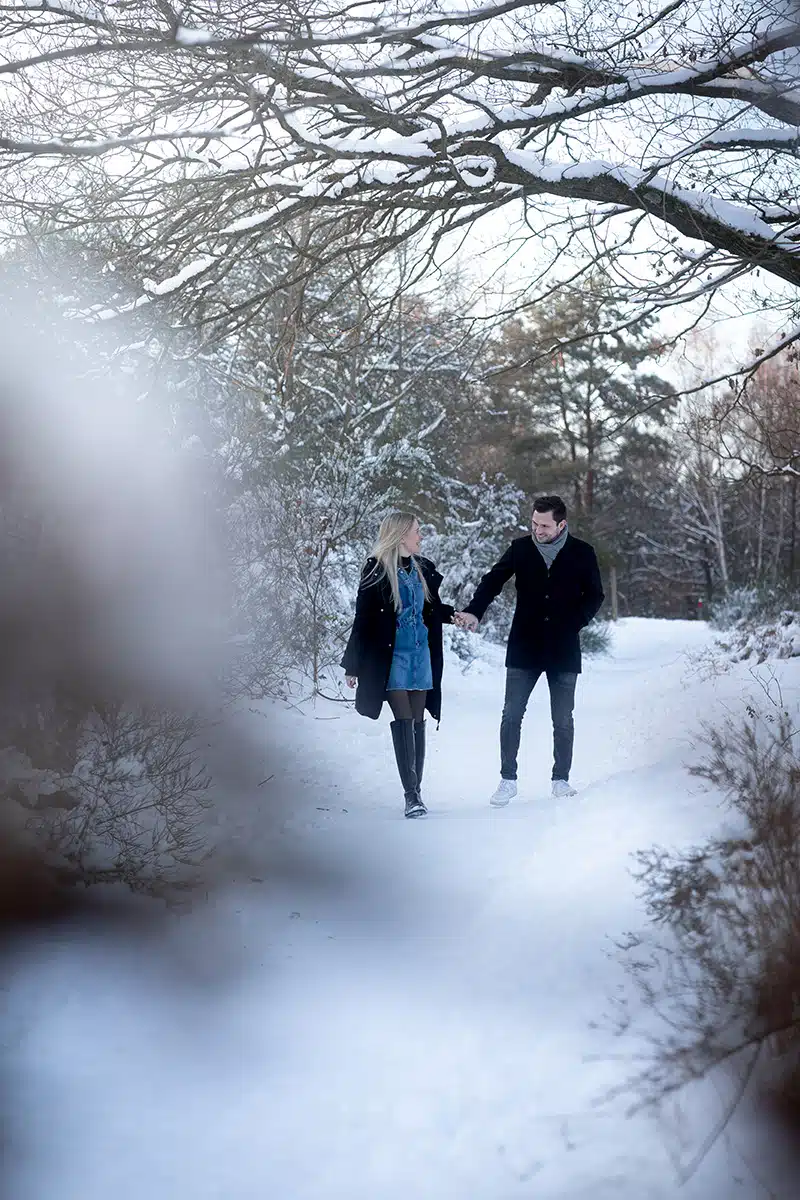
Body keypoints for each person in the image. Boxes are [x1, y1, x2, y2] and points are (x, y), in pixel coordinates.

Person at [455, 495, 604, 806]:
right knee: (511, 714)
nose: (538, 530)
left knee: (562, 718)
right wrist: (474, 611)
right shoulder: (521, 549)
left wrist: (573, 623)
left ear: (561, 524)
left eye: (545, 525)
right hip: (525, 644)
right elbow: (492, 581)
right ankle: (507, 779)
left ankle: (560, 779)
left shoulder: (582, 552)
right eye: (534, 524)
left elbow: (595, 595)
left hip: (563, 648)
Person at [341, 512, 455, 818]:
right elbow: (363, 619)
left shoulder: (423, 568)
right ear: (402, 534)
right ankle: (411, 796)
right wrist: (353, 665)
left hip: (421, 656)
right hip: (392, 657)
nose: (420, 536)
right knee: (404, 720)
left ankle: (416, 790)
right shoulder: (376, 569)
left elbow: (430, 609)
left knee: (417, 722)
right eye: (417, 531)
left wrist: (456, 614)